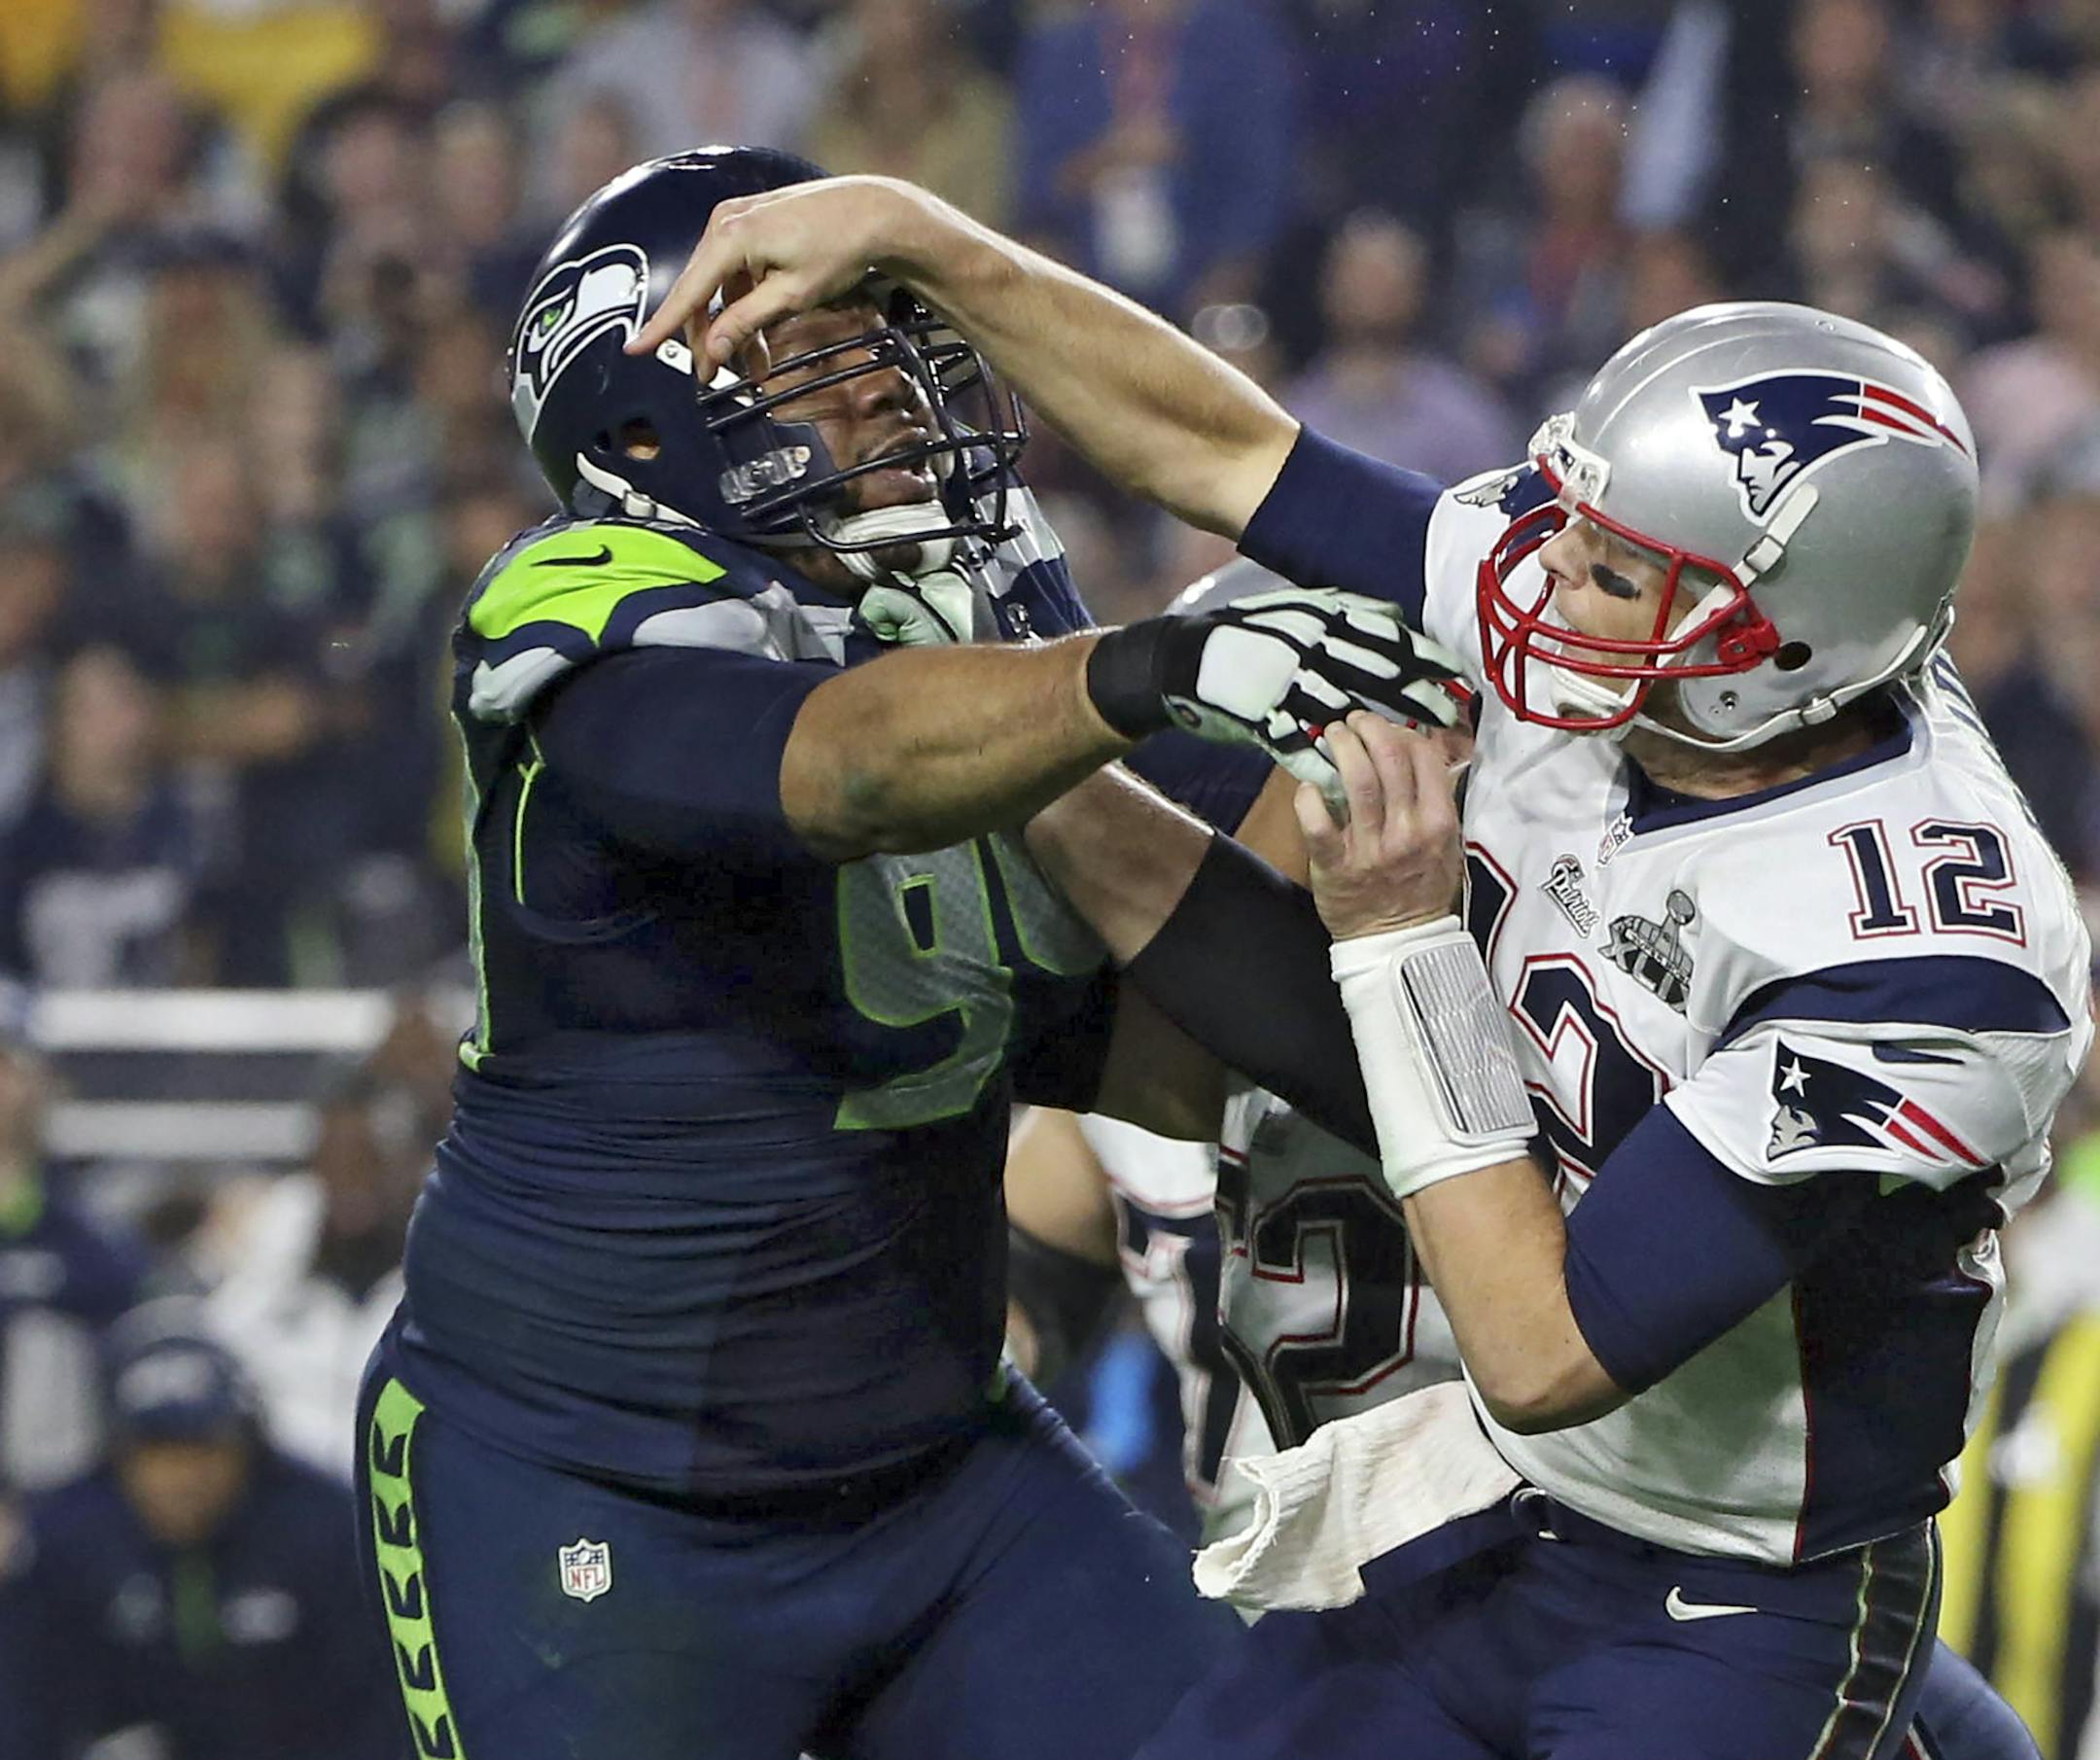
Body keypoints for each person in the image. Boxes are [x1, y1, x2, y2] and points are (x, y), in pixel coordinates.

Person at [634, 180, 2092, 1756]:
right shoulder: (1638, 663)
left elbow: (1542, 1352)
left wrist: (1396, 930)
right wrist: (928, 243)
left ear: (1783, 643)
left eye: (1611, 573)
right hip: (1503, 1526)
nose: (1538, 592)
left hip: (1736, 1588)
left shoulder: (1932, 947)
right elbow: (1238, 459)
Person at [357, 146, 1459, 1760]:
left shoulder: (976, 602)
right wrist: (1143, 667)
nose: (886, 395)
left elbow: (1214, 1045)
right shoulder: (591, 608)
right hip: (591, 1487)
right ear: (642, 423)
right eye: (815, 361)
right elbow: (841, 765)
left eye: (888, 342)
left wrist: (1388, 968)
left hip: (939, 1486)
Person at [0, 1307, 402, 1760]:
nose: (182, 1477)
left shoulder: (328, 1532)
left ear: (249, 1447)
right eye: (157, 1451)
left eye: (203, 1448)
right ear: (116, 1455)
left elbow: (376, 1716)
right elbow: (26, 1713)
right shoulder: (64, 1543)